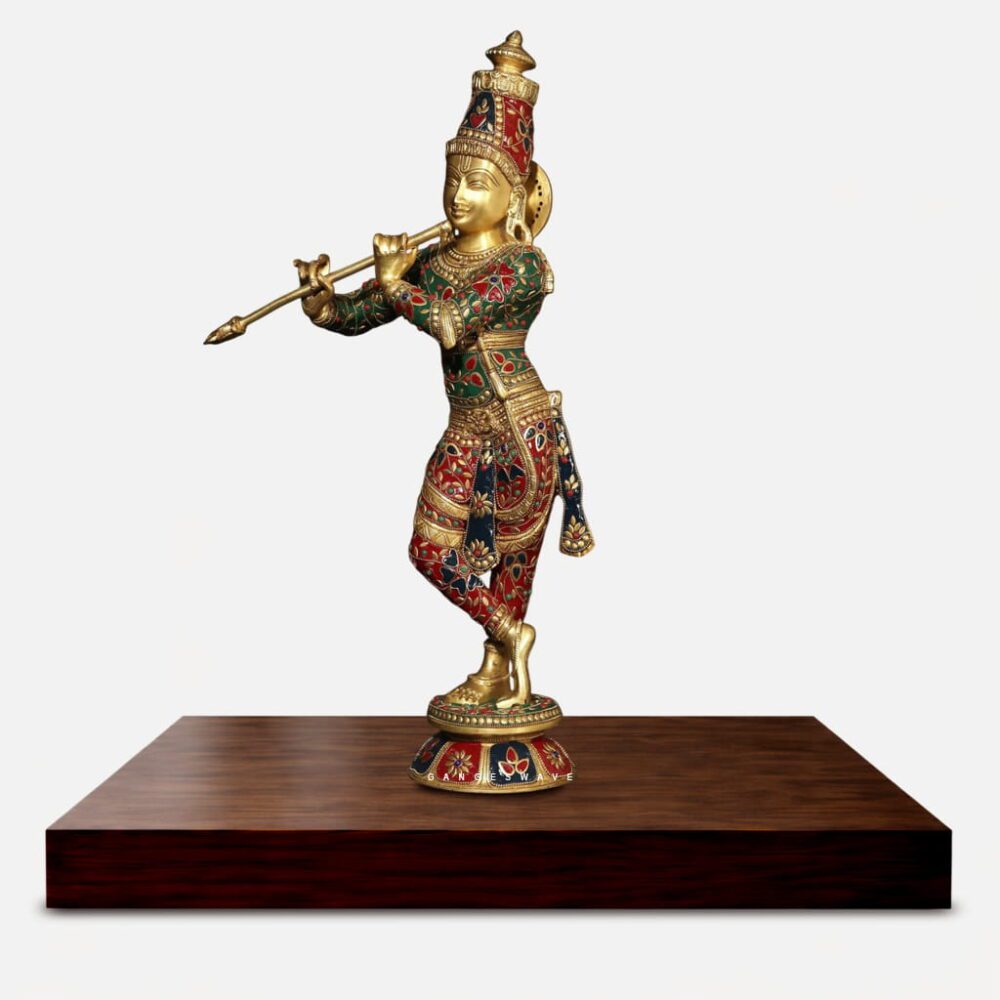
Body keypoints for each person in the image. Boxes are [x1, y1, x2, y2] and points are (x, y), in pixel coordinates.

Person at [293, 32, 592, 709]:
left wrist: (395, 281)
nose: (459, 194)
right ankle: (510, 637)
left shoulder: (523, 266)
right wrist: (322, 302)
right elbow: (359, 316)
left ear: (514, 196)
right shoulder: (432, 263)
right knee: (429, 550)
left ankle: (497, 670)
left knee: (512, 563)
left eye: (479, 182)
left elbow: (451, 323)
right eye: (454, 178)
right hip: (467, 427)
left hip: (519, 427)